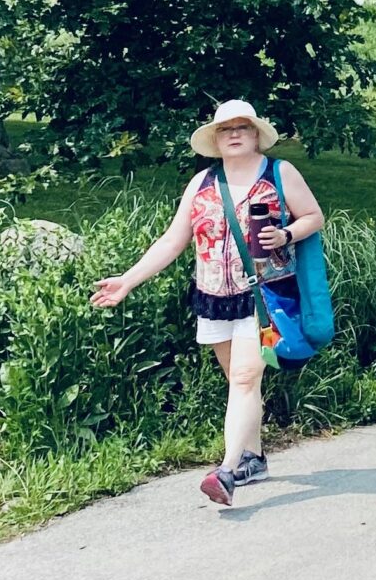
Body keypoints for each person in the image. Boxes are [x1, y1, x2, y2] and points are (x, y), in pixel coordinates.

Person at [93, 98, 326, 508]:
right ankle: (253, 457)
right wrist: (127, 281)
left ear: (257, 135)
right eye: (225, 129)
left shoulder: (278, 173)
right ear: (216, 139)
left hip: (265, 298)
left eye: (242, 127)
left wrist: (286, 235)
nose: (234, 134)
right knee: (237, 380)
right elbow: (172, 239)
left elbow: (313, 216)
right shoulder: (202, 182)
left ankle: (227, 470)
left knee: (244, 379)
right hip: (214, 297)